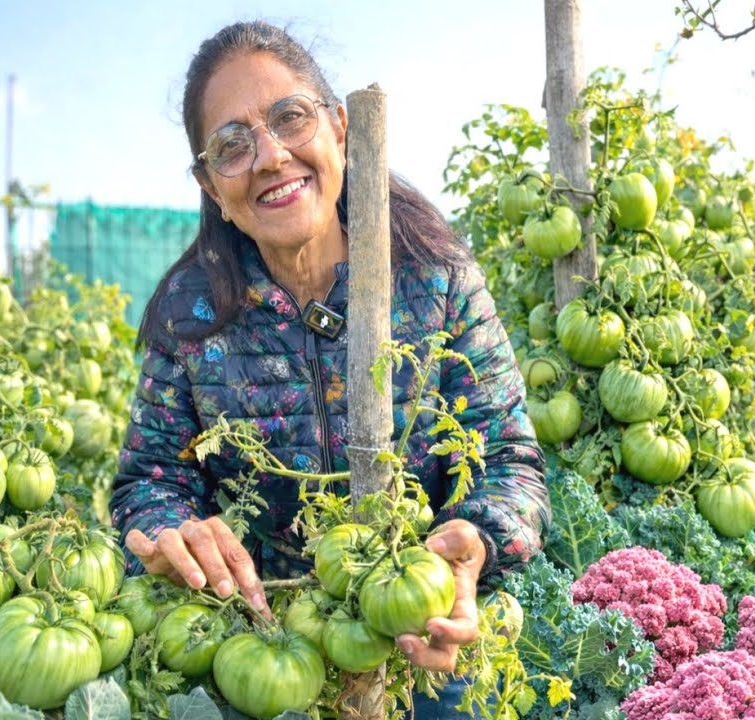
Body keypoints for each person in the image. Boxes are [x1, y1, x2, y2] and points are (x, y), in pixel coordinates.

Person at [109, 20, 550, 715]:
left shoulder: (436, 278)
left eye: (291, 117)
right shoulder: (189, 315)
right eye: (232, 144)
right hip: (263, 649)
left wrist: (474, 544)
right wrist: (173, 532)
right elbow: (148, 479)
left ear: (340, 127)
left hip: (420, 637)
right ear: (210, 184)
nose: (270, 156)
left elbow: (510, 459)